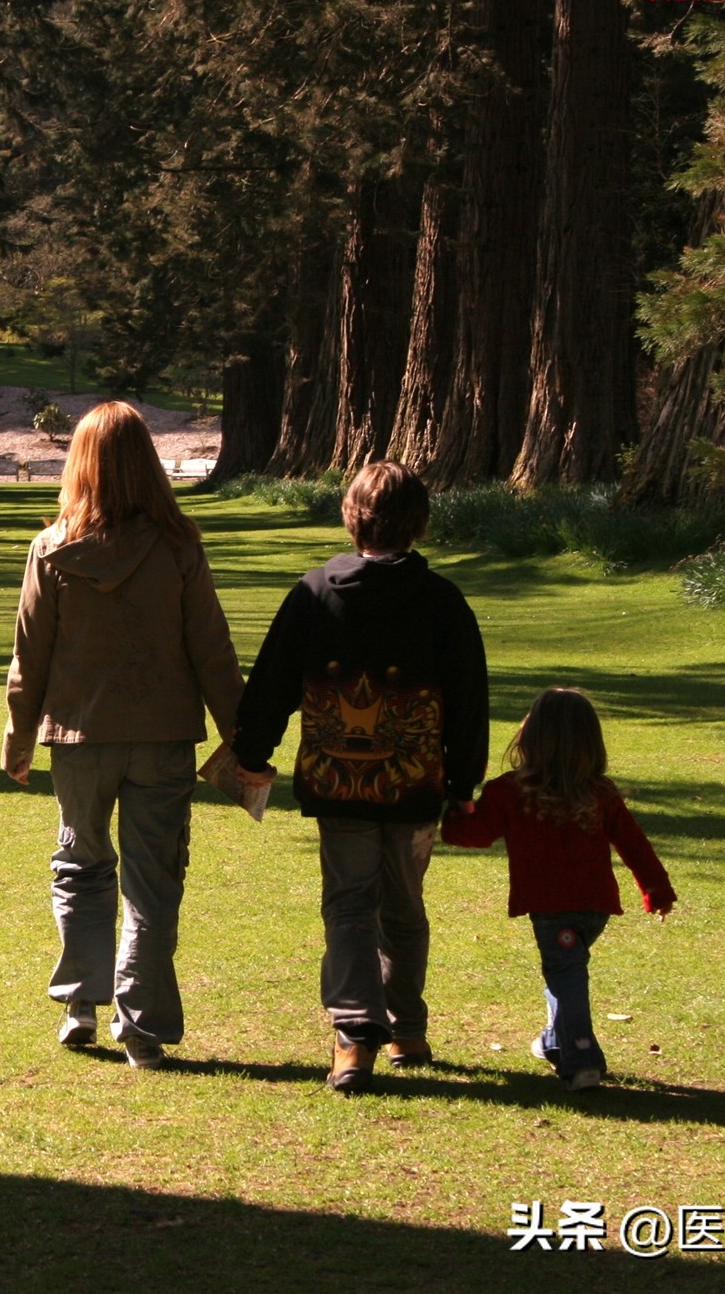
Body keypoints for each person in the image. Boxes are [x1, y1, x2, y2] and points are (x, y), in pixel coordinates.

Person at [2, 401, 244, 1070]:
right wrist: (241, 735)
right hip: (162, 736)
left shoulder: (52, 550)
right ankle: (141, 1024)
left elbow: (31, 654)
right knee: (153, 880)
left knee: (79, 865)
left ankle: (82, 1001)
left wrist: (19, 733)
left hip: (79, 739)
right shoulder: (178, 547)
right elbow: (213, 652)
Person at [231, 461, 487, 1093]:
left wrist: (253, 751)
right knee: (404, 906)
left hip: (338, 781)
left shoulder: (314, 593)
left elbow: (271, 683)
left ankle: (353, 1037)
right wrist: (462, 784)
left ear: (352, 518)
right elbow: (469, 698)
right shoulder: (443, 602)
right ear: (419, 522)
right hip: (416, 782)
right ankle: (406, 1028)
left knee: (350, 905)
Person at [440, 687, 676, 1092]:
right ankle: (554, 1041)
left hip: (553, 908)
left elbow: (476, 836)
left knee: (566, 972)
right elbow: (635, 845)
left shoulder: (511, 790)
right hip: (595, 907)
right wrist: (656, 888)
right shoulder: (599, 792)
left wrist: (451, 816)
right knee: (564, 968)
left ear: (530, 737)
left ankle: (582, 1054)